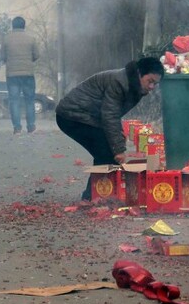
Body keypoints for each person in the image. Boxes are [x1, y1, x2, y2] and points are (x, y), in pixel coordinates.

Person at [55, 57, 164, 202]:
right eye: (150, 81)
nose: (151, 87)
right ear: (139, 73)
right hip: (72, 116)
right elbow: (110, 115)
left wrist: (119, 139)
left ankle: (100, 194)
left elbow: (114, 113)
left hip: (89, 117)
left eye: (155, 84)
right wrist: (118, 149)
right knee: (106, 151)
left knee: (107, 151)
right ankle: (93, 197)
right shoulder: (119, 82)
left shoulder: (134, 85)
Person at [2, 16, 40, 134]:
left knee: (14, 101)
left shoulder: (6, 39)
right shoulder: (31, 39)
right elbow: (36, 55)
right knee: (29, 100)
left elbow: (2, 57)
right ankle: (31, 126)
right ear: (24, 25)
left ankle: (17, 128)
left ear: (12, 26)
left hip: (12, 75)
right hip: (28, 74)